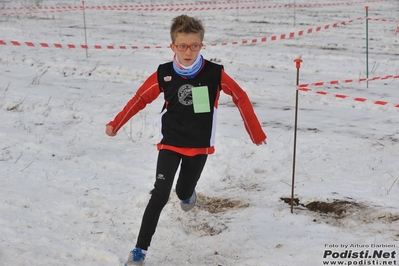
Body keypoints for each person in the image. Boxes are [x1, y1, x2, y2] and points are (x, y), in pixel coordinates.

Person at [106, 14, 267, 266]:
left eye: (194, 46)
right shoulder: (164, 73)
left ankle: (187, 194)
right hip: (170, 142)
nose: (188, 51)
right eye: (182, 46)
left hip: (199, 145)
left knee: (182, 191)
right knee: (159, 194)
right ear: (173, 46)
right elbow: (140, 99)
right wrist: (116, 122)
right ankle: (139, 250)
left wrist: (255, 132)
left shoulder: (214, 73)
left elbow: (241, 96)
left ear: (201, 45)